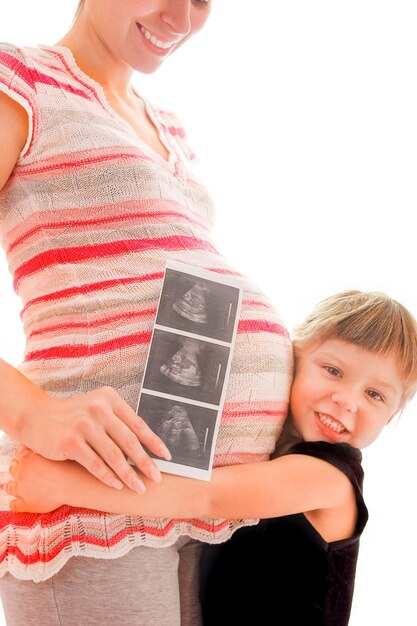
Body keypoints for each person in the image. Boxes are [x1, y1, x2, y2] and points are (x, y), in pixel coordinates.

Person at [0, 1, 292, 624]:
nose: (181, 18)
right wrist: (34, 414)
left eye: (203, 1)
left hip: (197, 501)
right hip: (96, 497)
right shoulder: (19, 81)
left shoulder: (168, 127)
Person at [5, 291, 417, 626]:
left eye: (375, 395)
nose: (346, 401)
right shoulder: (271, 452)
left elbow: (210, 498)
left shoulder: (328, 479)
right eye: (333, 370)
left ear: (392, 414)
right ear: (292, 358)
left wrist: (63, 484)